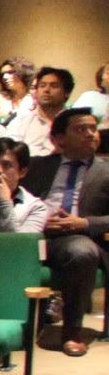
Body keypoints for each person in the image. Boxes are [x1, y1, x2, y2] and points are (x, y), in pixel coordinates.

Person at [27, 109, 109, 353]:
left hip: (77, 237)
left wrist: (83, 223)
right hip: (33, 234)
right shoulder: (36, 166)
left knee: (82, 252)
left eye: (93, 128)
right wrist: (38, 221)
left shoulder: (106, 170)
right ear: (59, 138)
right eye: (81, 129)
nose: (90, 134)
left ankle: (72, 331)